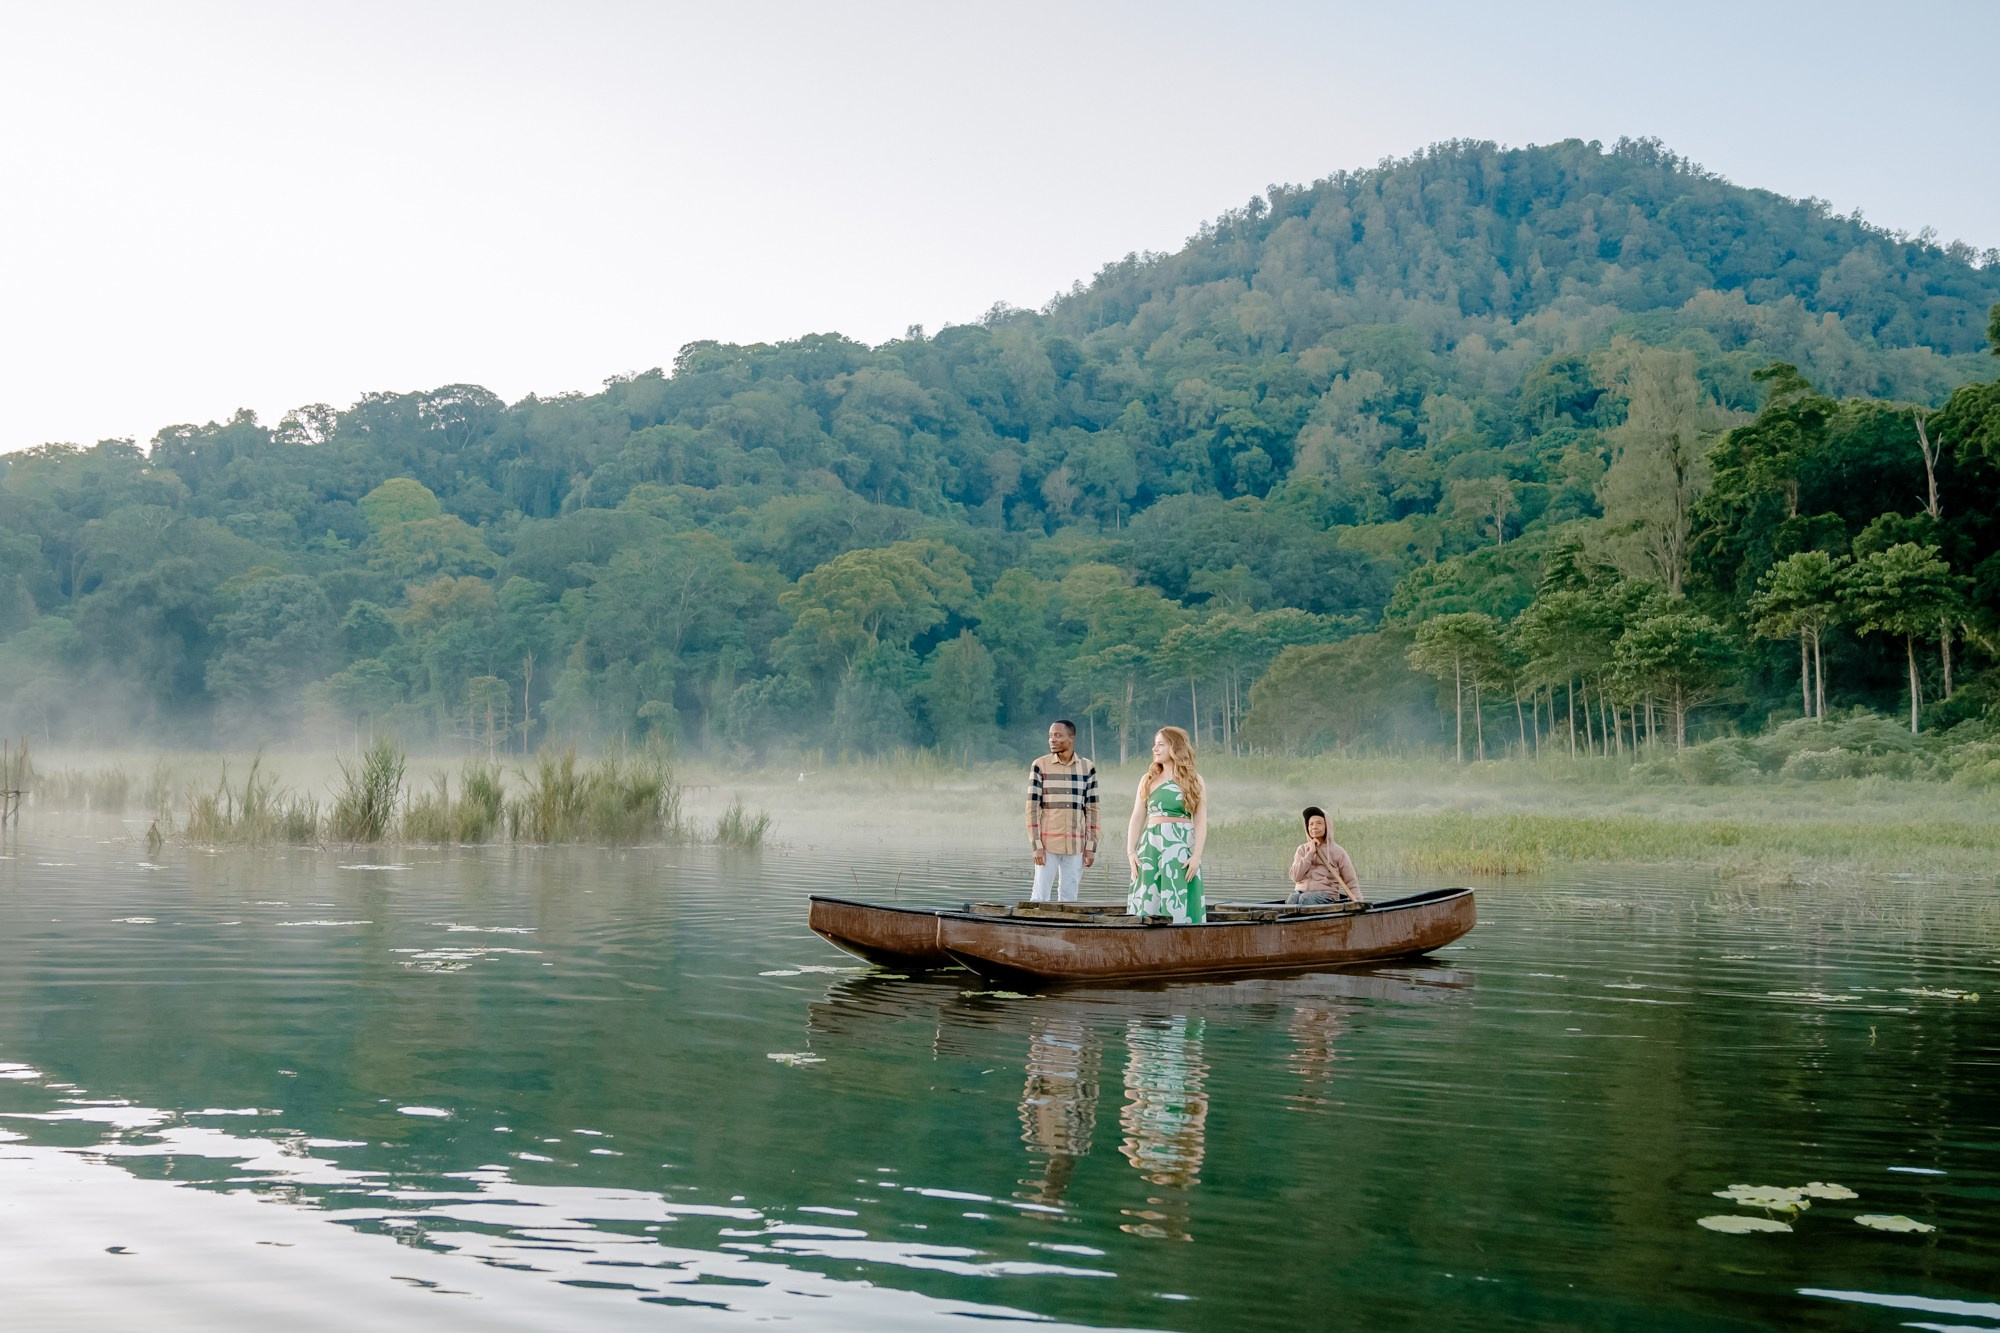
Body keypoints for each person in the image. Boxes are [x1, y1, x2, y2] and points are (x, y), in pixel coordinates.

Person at [1126, 726, 1206, 923]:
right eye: (1154, 744)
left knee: (1178, 894)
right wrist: (1131, 851)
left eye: (1161, 744)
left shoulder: (1195, 780)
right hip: (1151, 846)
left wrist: (1196, 856)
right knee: (1149, 895)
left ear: (1175, 747)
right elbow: (1137, 817)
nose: (1155, 748)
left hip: (1180, 848)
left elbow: (1201, 821)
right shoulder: (1148, 779)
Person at [1027, 719, 1098, 902]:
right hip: (1047, 844)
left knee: (1069, 897)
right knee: (1040, 897)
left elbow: (1092, 809)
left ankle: (1065, 931)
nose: (1052, 740)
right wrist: (1036, 846)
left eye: (1058, 735)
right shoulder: (1040, 765)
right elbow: (1032, 808)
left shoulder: (1087, 767)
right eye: (1050, 736)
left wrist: (1090, 847)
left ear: (1071, 738)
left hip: (1076, 844)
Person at [1288, 806, 1361, 905]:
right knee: (1293, 898)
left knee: (1305, 898)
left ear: (1327, 826)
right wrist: (1310, 854)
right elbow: (1296, 876)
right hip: (1300, 893)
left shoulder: (1338, 852)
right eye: (1311, 824)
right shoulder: (1302, 849)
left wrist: (1358, 903)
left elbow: (1351, 881)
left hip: (1327, 895)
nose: (1314, 827)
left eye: (1319, 823)